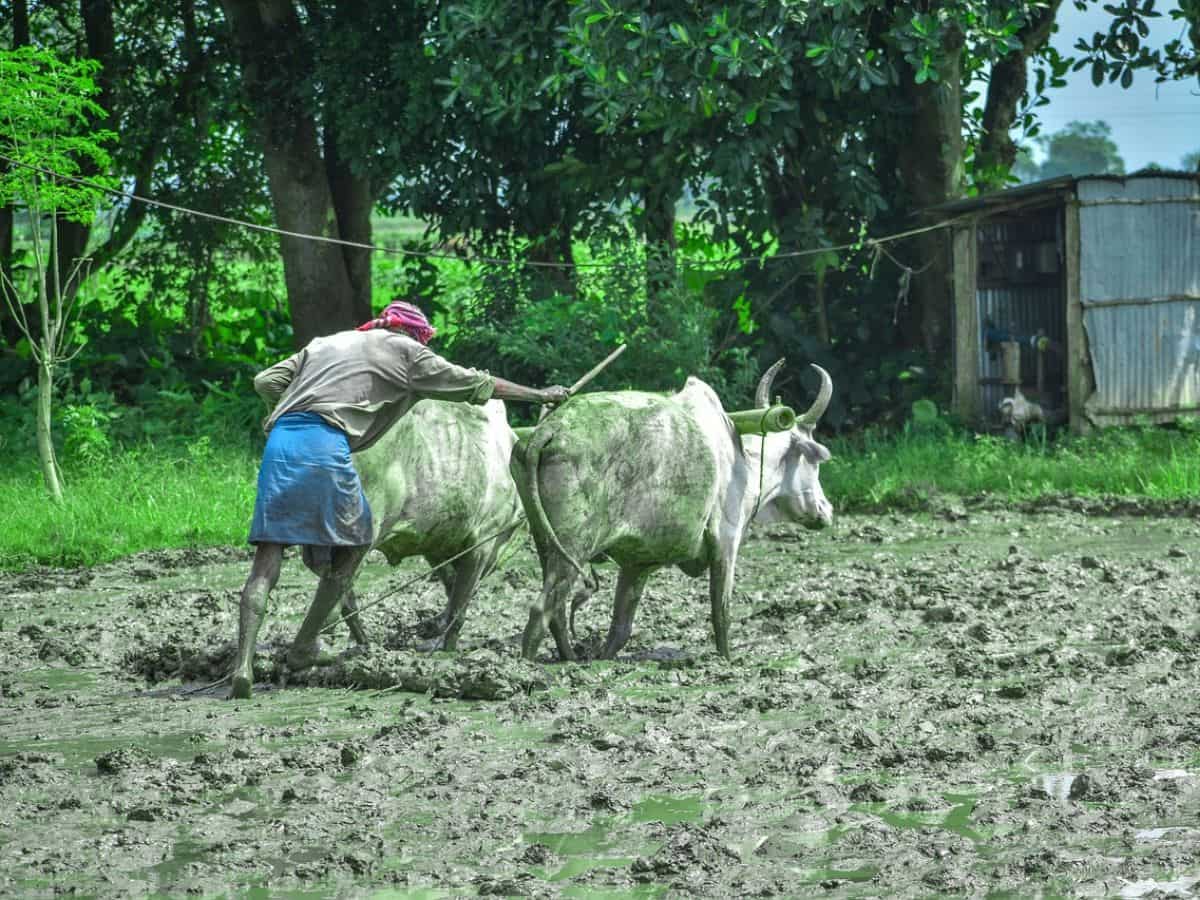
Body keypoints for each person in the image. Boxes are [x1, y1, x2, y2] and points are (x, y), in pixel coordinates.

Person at [230, 300, 568, 700]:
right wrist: (540, 394)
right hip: (327, 445)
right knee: (354, 546)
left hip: (281, 443)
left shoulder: (327, 343)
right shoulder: (406, 352)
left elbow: (265, 381)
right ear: (412, 334)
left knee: (267, 560)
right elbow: (478, 384)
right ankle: (304, 646)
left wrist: (284, 411)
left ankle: (243, 666)